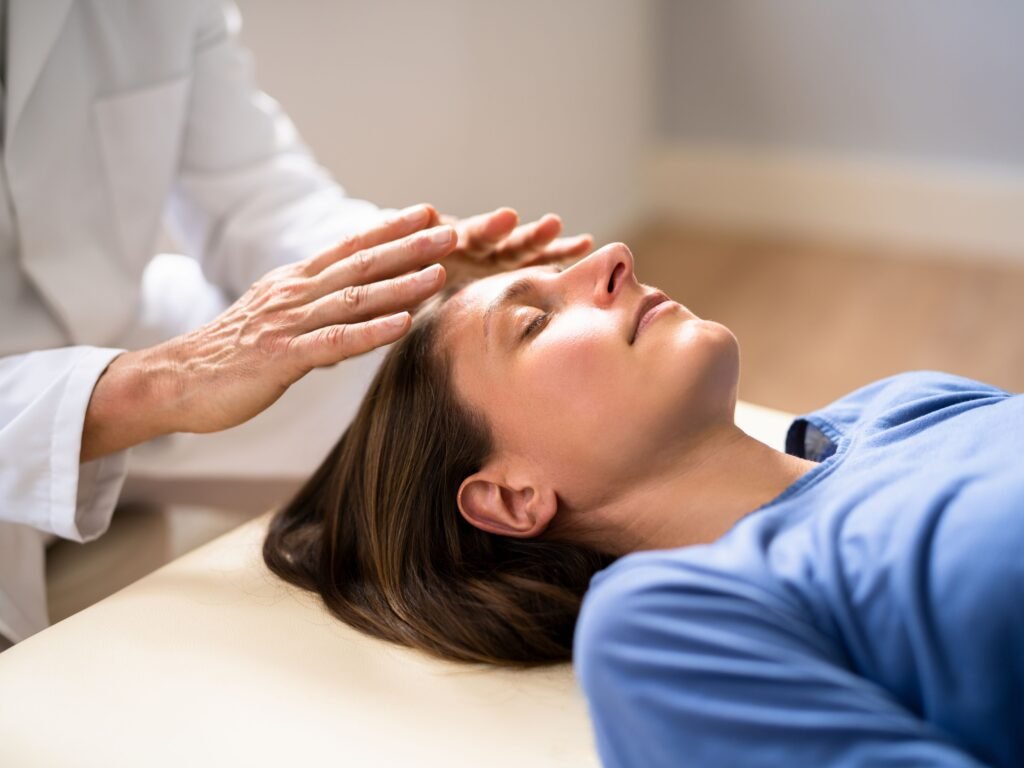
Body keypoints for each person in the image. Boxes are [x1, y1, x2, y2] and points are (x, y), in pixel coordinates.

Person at [264, 241, 1023, 767]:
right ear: (513, 497)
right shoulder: (663, 622)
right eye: (536, 321)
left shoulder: (904, 403)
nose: (614, 256)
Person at [0, 0, 591, 650]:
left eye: (537, 319)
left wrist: (401, 259)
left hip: (112, 323)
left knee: (420, 366)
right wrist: (165, 382)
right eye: (534, 322)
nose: (612, 263)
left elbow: (255, 194)